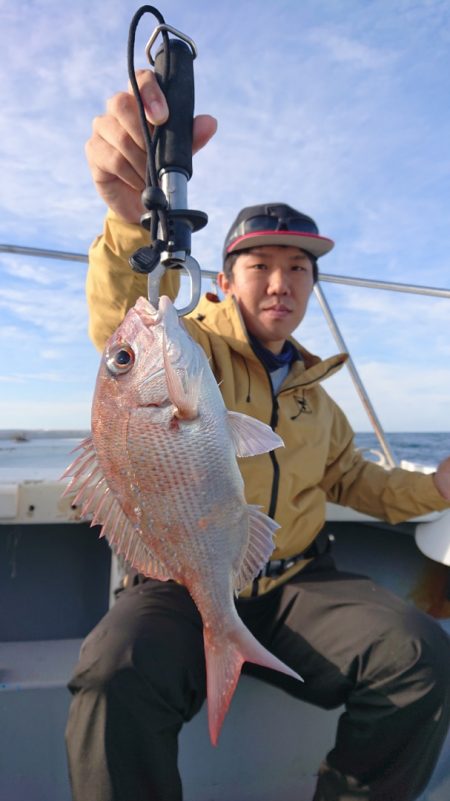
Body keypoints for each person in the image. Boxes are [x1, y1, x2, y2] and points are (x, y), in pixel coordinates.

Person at [66, 70, 450, 801]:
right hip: (182, 578)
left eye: (298, 268)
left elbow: (356, 481)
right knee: (114, 670)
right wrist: (126, 223)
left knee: (420, 655)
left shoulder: (318, 398)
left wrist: (435, 486)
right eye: (261, 265)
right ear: (224, 277)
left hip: (295, 582)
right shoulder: (189, 348)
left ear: (312, 286)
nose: (281, 283)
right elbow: (121, 323)